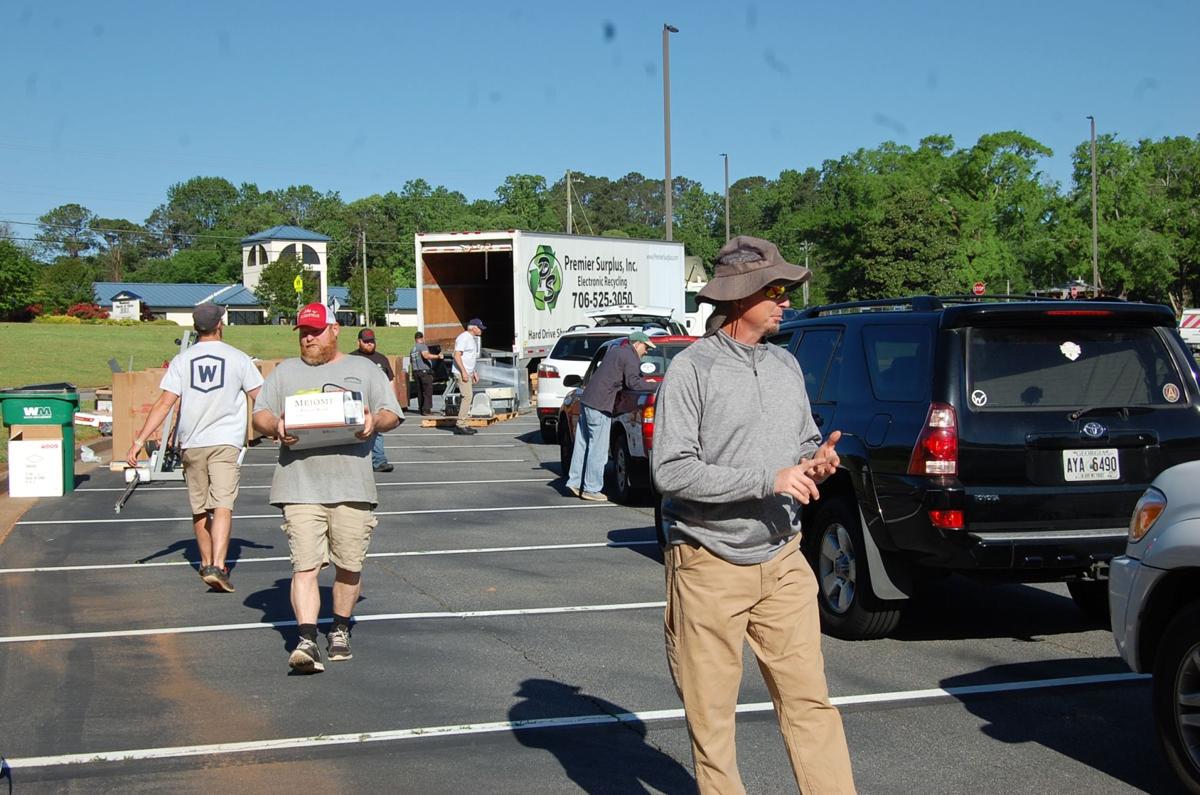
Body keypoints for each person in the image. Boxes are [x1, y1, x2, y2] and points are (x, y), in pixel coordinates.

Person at [652, 236, 856, 794]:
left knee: (810, 702)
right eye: (776, 291)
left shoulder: (785, 364)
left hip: (784, 559)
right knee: (712, 720)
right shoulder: (692, 370)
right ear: (741, 296)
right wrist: (768, 479)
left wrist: (817, 461)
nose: (786, 301)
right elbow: (671, 471)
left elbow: (801, 443)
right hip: (709, 563)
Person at [252, 303, 404, 674]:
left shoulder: (364, 370)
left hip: (352, 486)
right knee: (304, 566)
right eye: (304, 332)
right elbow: (260, 415)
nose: (309, 338)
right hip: (298, 486)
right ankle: (306, 640)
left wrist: (373, 421)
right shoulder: (285, 372)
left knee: (349, 565)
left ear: (334, 330)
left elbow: (392, 413)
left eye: (316, 331)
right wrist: (275, 426)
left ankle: (339, 628)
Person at [126, 303, 264, 593]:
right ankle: (219, 565)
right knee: (223, 503)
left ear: (196, 327)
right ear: (220, 325)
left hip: (192, 442)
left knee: (200, 507)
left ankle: (205, 562)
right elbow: (260, 396)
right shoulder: (238, 358)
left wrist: (139, 441)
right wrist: (281, 425)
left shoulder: (182, 361)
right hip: (225, 440)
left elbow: (164, 404)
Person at [565, 331, 658, 501]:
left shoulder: (616, 351)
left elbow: (622, 378)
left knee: (583, 444)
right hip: (600, 404)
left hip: (588, 400)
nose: (646, 351)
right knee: (598, 448)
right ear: (637, 344)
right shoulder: (630, 356)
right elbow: (633, 383)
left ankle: (576, 482)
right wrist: (657, 386)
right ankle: (591, 488)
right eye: (646, 347)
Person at [349, 327, 396, 473]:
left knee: (377, 431)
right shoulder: (350, 359)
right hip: (356, 400)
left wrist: (393, 401)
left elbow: (390, 380)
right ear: (358, 342)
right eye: (366, 341)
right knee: (354, 431)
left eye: (372, 341)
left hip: (376, 401)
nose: (370, 344)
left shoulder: (381, 359)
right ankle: (354, 462)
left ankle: (379, 461)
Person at [452, 318, 485, 436]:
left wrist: (473, 372)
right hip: (462, 373)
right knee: (467, 397)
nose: (481, 330)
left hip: (467, 372)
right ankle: (460, 425)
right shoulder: (464, 338)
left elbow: (468, 358)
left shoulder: (470, 338)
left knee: (467, 397)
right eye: (480, 328)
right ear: (474, 328)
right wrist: (464, 372)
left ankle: (464, 423)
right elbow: (457, 355)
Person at [409, 330, 443, 416]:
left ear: (415, 339)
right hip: (424, 372)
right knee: (427, 391)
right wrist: (438, 356)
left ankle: (421, 409)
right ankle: (427, 410)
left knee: (420, 391)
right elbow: (426, 355)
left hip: (416, 372)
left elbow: (411, 361)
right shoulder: (422, 346)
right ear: (422, 338)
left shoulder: (413, 349)